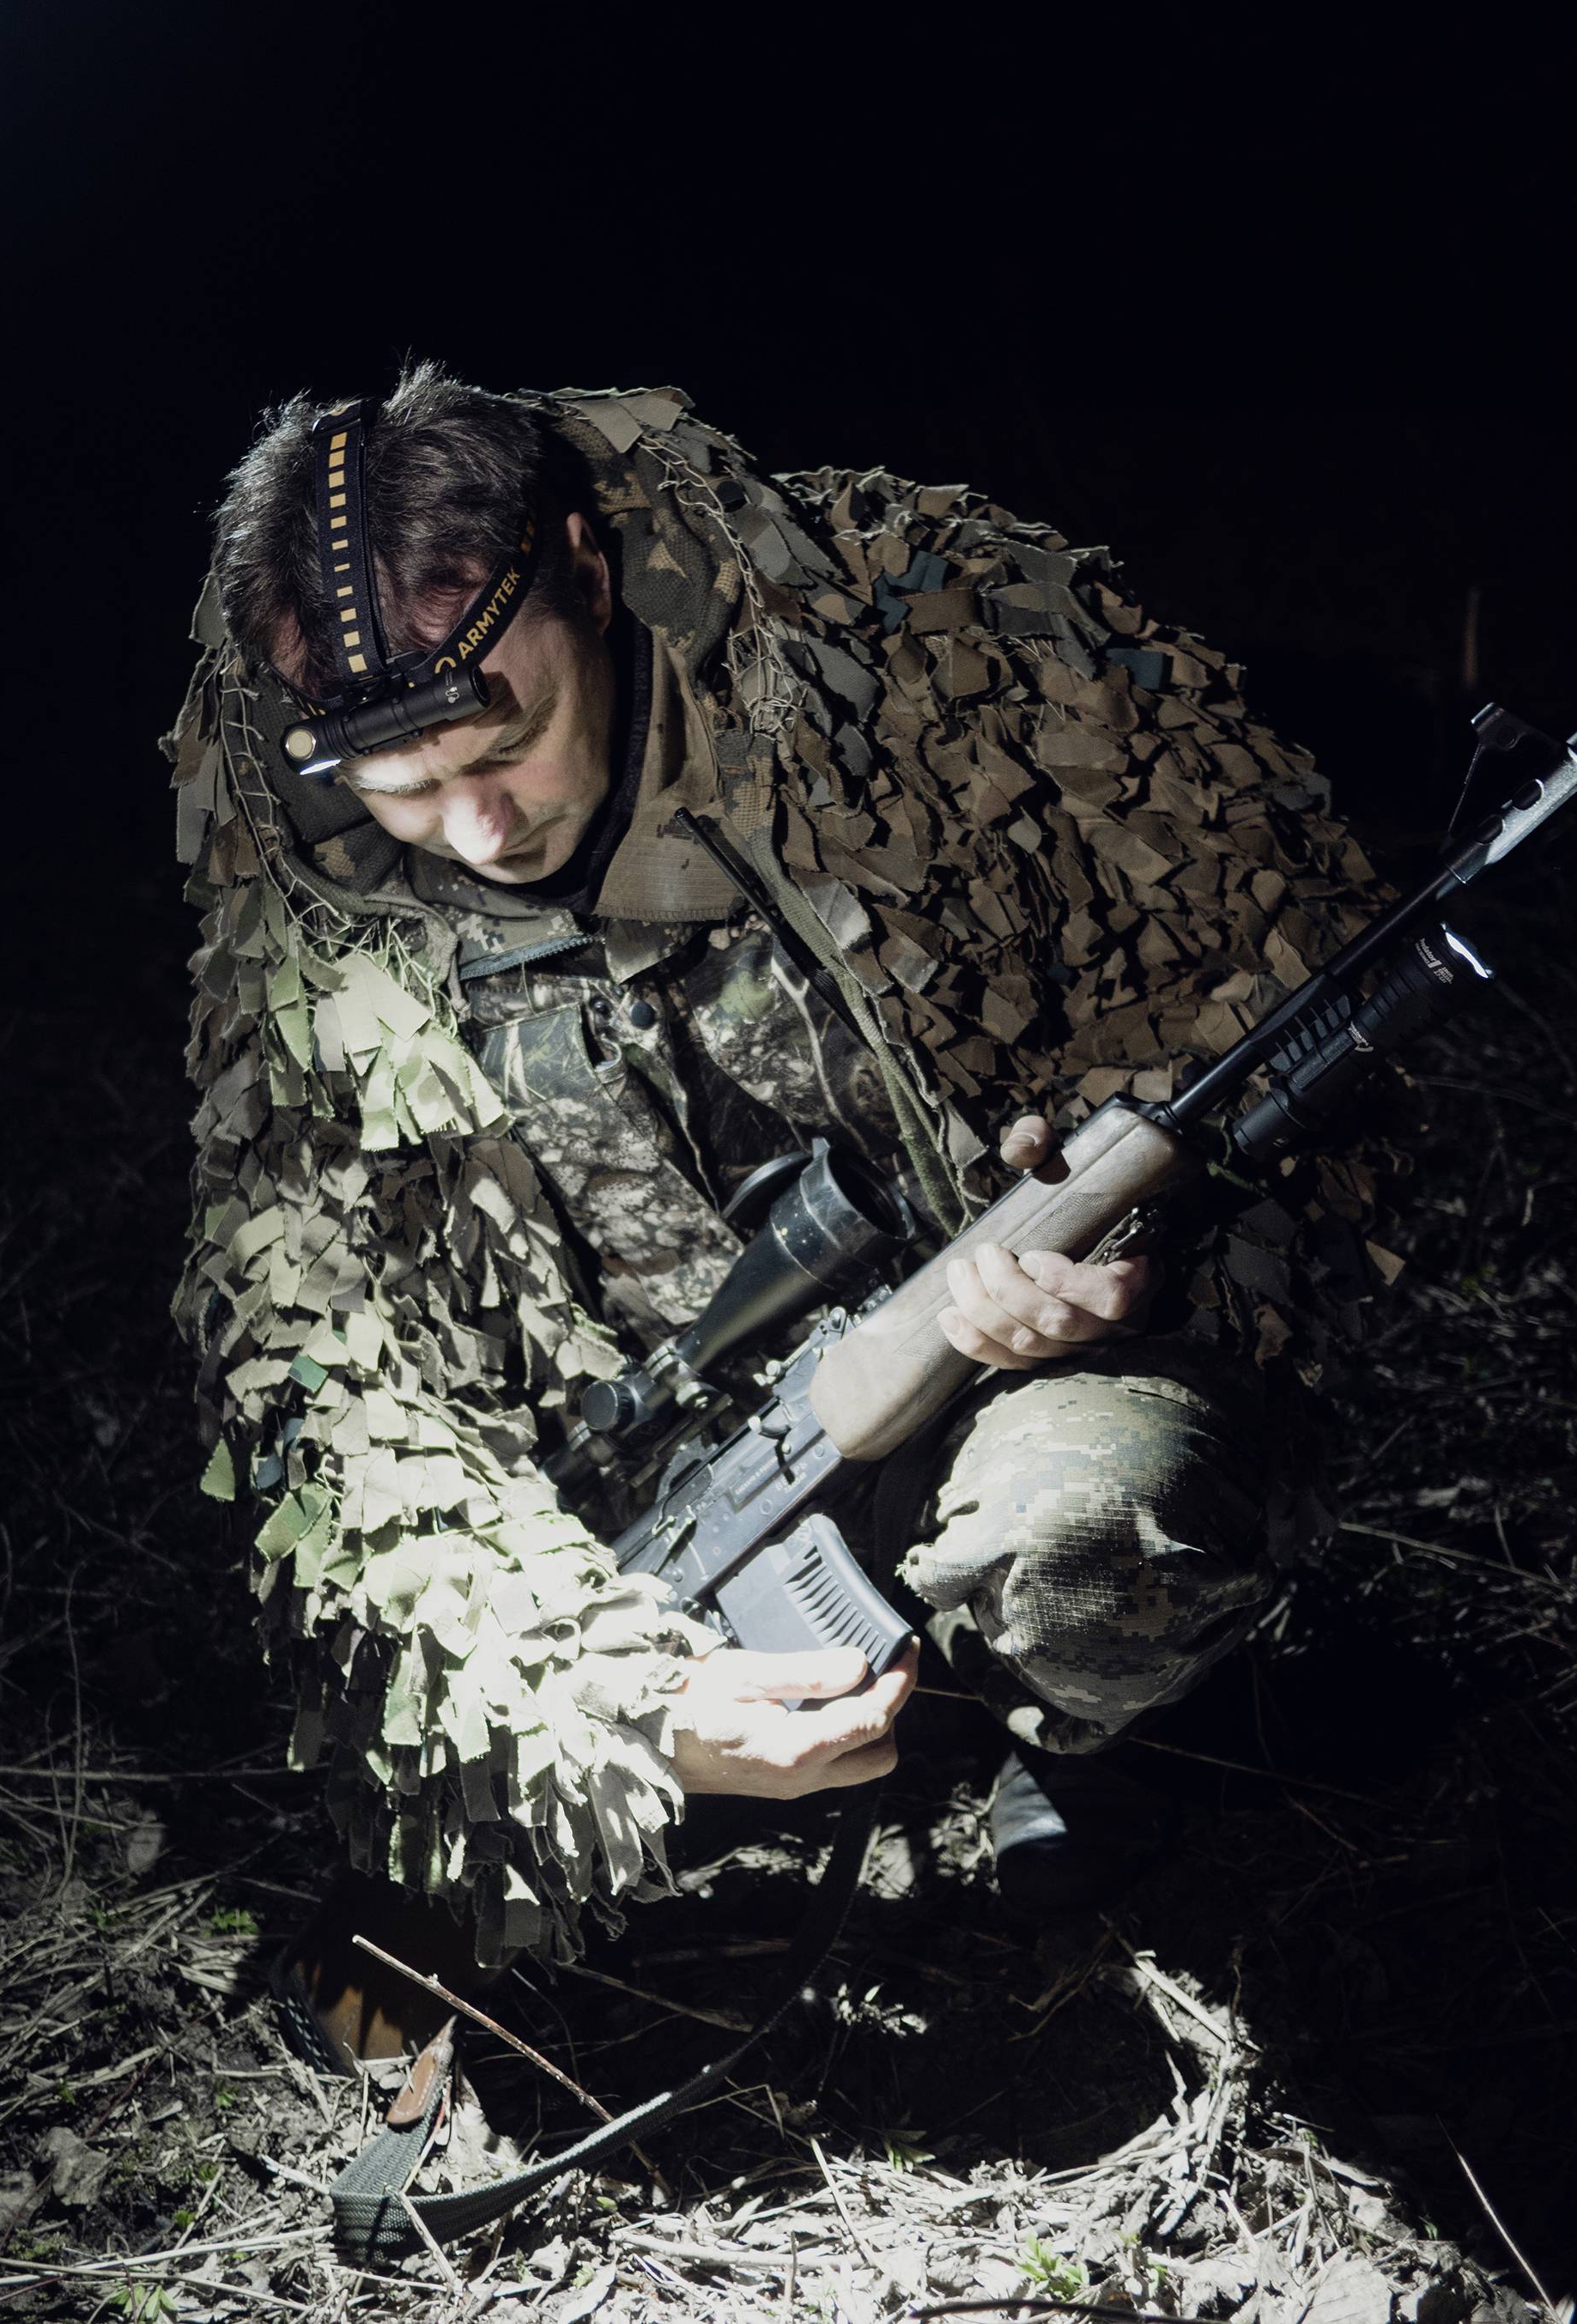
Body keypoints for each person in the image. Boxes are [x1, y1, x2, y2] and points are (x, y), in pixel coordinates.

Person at [165, 363, 1387, 2005]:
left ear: (587, 573)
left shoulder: (905, 638)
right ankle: (855, 1723)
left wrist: (1144, 1256)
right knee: (476, 1833)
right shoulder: (304, 906)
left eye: (509, 740)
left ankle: (1067, 1722)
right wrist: (620, 1701)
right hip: (652, 1514)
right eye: (400, 792)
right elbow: (327, 1398)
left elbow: (1253, 969)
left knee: (1096, 1525)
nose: (474, 826)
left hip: (994, 1398)